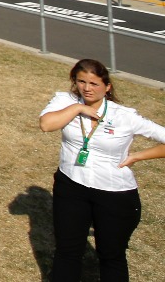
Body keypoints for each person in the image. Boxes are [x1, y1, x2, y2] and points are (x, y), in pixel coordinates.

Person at [38, 58, 165, 282]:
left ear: (107, 87)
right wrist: (78, 108)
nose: (87, 88)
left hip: (114, 194)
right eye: (81, 81)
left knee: (111, 255)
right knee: (67, 251)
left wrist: (138, 156)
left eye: (94, 84)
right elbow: (47, 124)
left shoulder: (125, 116)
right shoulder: (65, 101)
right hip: (71, 187)